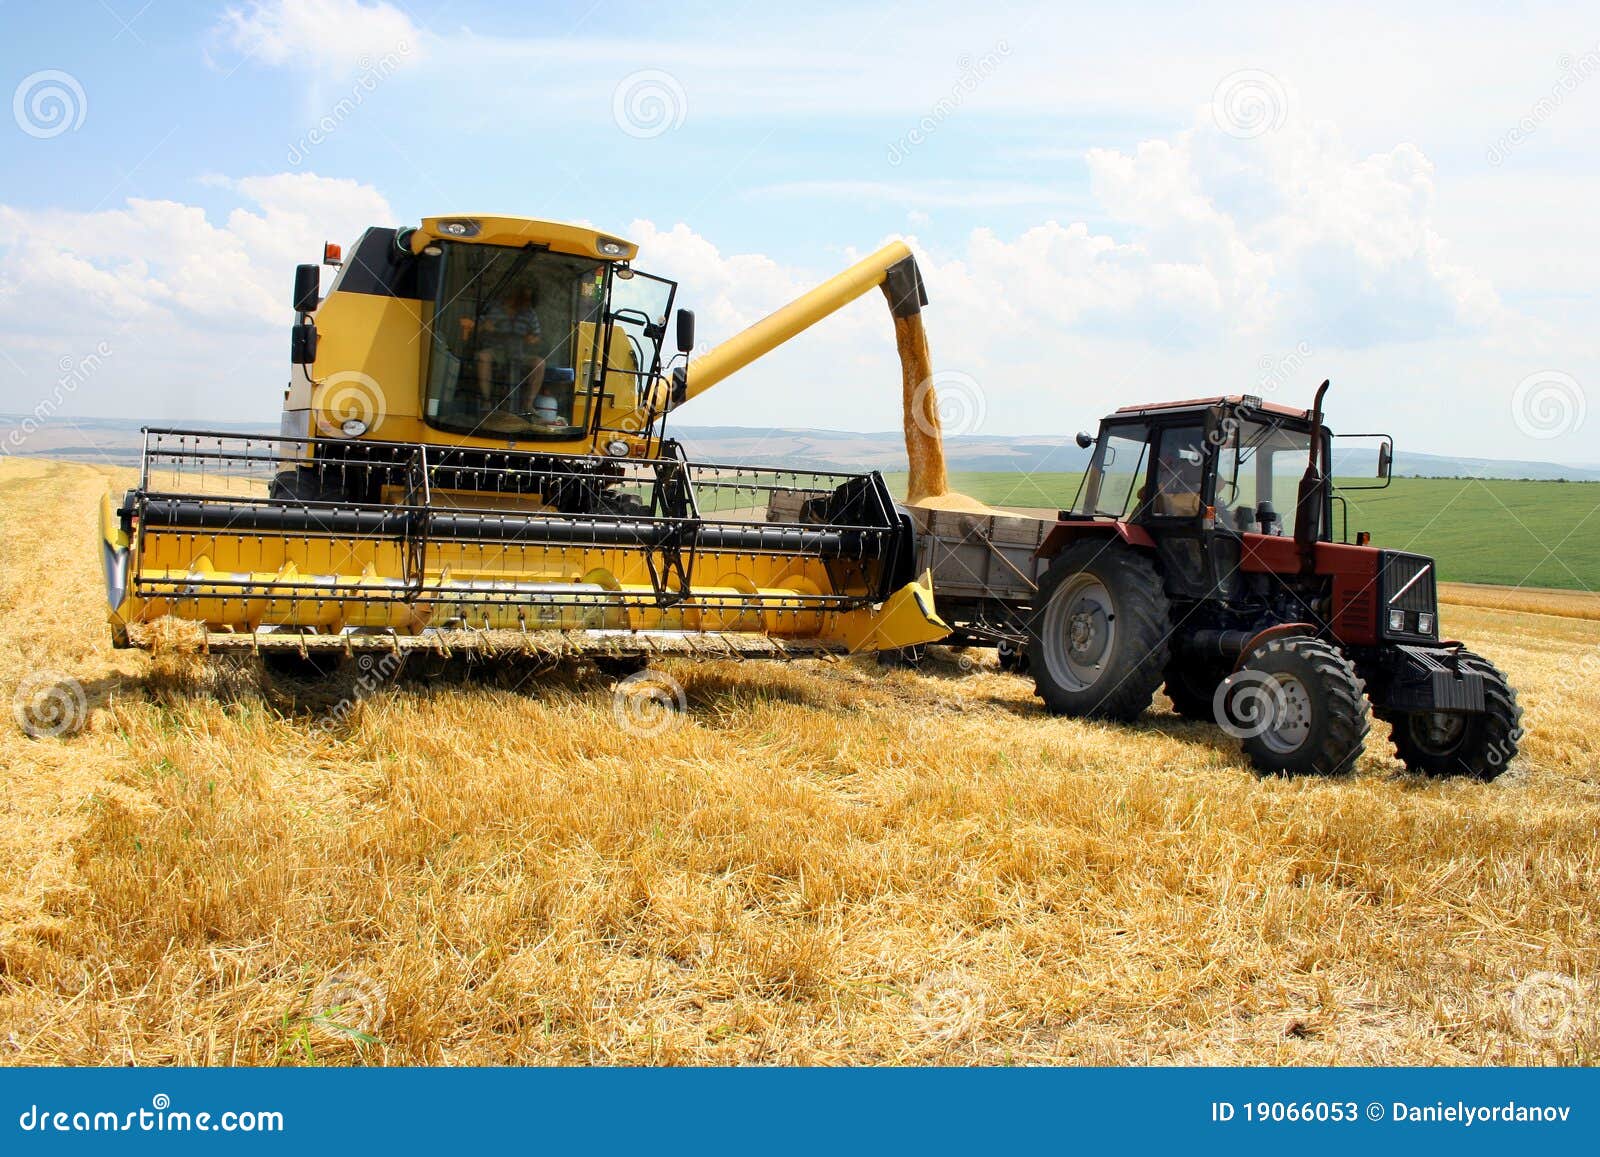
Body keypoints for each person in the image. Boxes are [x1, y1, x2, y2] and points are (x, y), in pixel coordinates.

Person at [475, 284, 548, 415]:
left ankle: (528, 404)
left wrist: (533, 339)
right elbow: (478, 326)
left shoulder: (530, 314)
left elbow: (537, 336)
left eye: (528, 300)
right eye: (523, 298)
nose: (526, 302)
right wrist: (485, 326)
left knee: (540, 363)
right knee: (483, 357)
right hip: (497, 351)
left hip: (520, 352)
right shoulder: (496, 309)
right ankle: (487, 401)